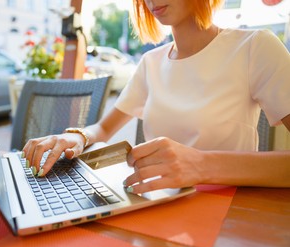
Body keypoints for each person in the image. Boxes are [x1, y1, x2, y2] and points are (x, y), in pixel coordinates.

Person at [22, 0, 290, 192]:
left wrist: (201, 165)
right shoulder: (151, 62)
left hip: (229, 213)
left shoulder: (254, 46)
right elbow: (104, 128)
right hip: (155, 202)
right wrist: (76, 136)